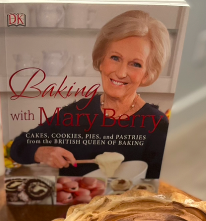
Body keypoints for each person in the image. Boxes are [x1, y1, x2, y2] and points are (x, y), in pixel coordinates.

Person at [10, 10, 171, 177]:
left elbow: (157, 188)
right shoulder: (75, 113)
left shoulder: (156, 125)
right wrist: (41, 152)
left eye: (136, 64)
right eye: (115, 58)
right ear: (101, 61)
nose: (121, 72)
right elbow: (18, 147)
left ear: (147, 74)